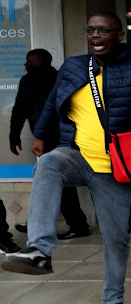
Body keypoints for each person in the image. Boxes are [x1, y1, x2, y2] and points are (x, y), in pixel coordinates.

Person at [1, 8, 131, 304]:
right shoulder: (74, 66)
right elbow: (53, 101)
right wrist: (39, 135)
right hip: (76, 154)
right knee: (48, 163)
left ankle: (113, 300)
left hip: (115, 169)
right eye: (90, 31)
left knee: (117, 238)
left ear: (119, 35)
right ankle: (39, 251)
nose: (96, 36)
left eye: (103, 31)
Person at [9, 48, 89, 239]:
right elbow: (19, 109)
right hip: (42, 140)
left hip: (61, 139)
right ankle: (40, 225)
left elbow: (58, 111)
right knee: (47, 183)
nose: (25, 64)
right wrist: (14, 135)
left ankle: (78, 225)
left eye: (30, 61)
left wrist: (45, 137)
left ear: (42, 61)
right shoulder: (27, 81)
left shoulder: (58, 79)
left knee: (61, 183)